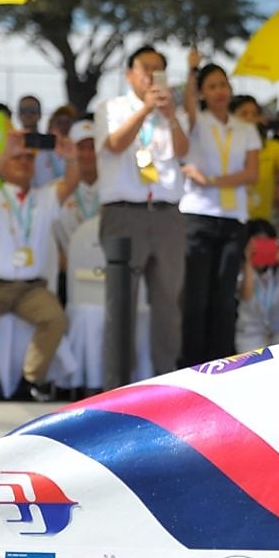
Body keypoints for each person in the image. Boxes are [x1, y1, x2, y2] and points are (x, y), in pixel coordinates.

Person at [93, 44, 189, 380]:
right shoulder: (111, 107)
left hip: (167, 215)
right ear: (129, 74)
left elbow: (183, 151)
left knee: (168, 304)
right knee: (121, 302)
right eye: (145, 68)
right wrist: (144, 110)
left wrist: (171, 116)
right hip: (124, 215)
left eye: (158, 68)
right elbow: (115, 144)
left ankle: (168, 380)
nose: (151, 75)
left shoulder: (171, 111)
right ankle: (116, 384)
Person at [0, 130, 77, 401]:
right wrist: (4, 153)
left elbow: (70, 182)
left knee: (54, 317)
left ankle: (31, 381)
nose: (24, 161)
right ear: (5, 165)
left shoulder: (44, 197)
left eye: (29, 158)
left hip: (31, 289)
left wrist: (70, 159)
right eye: (18, 158)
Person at [178, 55, 261, 366]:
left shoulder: (245, 128)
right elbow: (187, 104)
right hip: (198, 215)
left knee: (225, 296)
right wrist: (191, 71)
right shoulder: (197, 121)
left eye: (223, 84)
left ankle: (222, 364)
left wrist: (212, 180)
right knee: (196, 296)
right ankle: (190, 364)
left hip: (232, 218)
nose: (220, 91)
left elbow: (252, 173)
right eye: (211, 86)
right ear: (202, 92)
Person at [235, 219, 279, 351]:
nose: (262, 250)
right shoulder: (241, 270)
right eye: (257, 245)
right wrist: (248, 261)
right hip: (250, 332)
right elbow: (246, 295)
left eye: (267, 245)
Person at [53, 117, 100, 262]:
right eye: (80, 147)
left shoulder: (115, 189)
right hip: (68, 275)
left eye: (92, 147)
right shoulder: (56, 191)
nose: (86, 154)